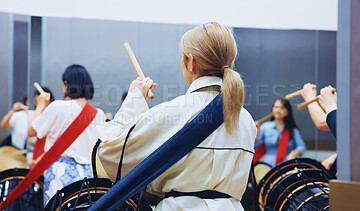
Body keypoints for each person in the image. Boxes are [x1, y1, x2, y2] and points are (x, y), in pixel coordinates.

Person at [97, 22, 257, 210]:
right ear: (232, 60)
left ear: (190, 61)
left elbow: (112, 154)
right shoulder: (246, 120)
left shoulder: (171, 113)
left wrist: (133, 102)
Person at [27, 64, 105, 204]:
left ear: (66, 84)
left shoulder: (58, 107)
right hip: (89, 177)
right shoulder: (99, 114)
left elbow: (32, 131)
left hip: (60, 174)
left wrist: (39, 105)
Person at [254, 98, 306, 167]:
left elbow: (302, 146)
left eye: (282, 108)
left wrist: (294, 153)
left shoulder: (292, 130)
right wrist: (255, 132)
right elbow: (256, 145)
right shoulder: (265, 127)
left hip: (286, 165)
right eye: (276, 107)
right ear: (272, 109)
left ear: (287, 112)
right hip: (267, 164)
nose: (278, 110)